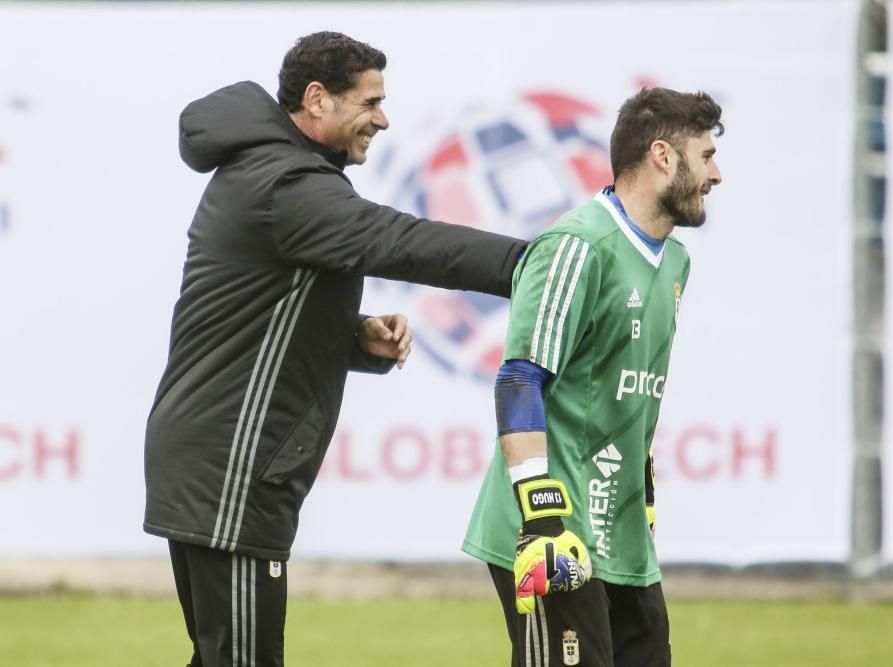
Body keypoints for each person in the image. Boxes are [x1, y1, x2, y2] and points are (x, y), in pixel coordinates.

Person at [143, 32, 527, 667]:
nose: (383, 118)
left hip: (219, 462)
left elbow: (254, 318)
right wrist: (533, 262)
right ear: (317, 100)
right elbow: (400, 239)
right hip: (230, 469)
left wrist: (354, 333)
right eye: (369, 101)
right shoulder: (286, 182)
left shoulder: (279, 172)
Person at [463, 87, 724, 667]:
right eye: (706, 156)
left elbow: (629, 390)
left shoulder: (675, 261)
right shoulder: (577, 245)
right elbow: (519, 380)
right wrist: (543, 519)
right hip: (554, 528)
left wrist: (645, 490)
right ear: (663, 156)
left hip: (622, 530)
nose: (717, 174)